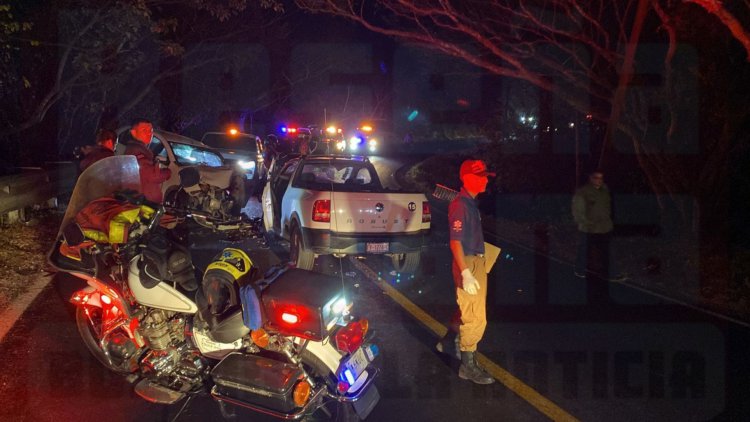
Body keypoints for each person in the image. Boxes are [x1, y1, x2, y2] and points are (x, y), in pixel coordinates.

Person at [440, 159, 496, 385]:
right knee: (475, 317)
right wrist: (466, 272)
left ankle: (448, 341)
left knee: (467, 308)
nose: (485, 180)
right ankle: (467, 366)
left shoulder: (470, 203)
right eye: (481, 176)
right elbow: (455, 243)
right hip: (469, 264)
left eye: (485, 176)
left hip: (475, 262)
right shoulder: (461, 205)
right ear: (468, 179)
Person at [572, 170, 626, 282]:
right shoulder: (583, 192)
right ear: (591, 178)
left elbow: (607, 208)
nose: (599, 180)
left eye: (601, 178)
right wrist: (586, 223)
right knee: (584, 250)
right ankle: (579, 270)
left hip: (604, 228)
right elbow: (577, 211)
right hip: (589, 229)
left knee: (607, 251)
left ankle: (613, 274)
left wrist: (609, 222)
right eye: (596, 178)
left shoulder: (605, 190)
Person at [123, 118, 171, 203]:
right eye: (144, 130)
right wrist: (167, 172)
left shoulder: (139, 149)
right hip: (143, 203)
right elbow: (152, 176)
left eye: (151, 130)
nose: (149, 133)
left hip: (143, 201)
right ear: (133, 132)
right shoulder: (136, 151)